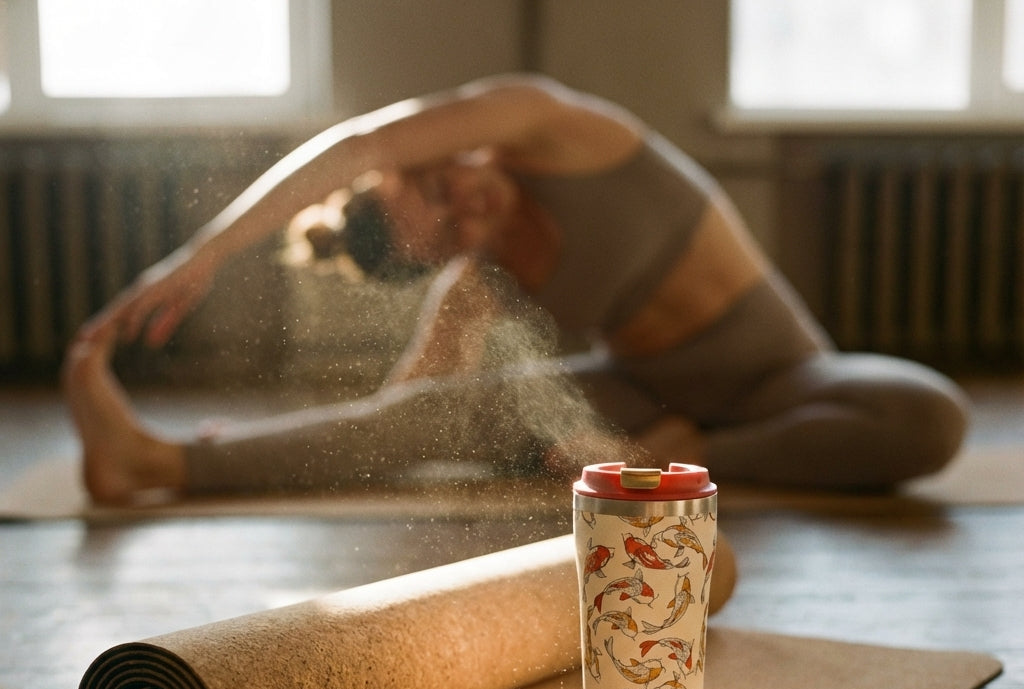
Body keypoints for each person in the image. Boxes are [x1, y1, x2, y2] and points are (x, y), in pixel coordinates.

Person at [63, 74, 969, 504]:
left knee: (928, 418)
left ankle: (684, 456)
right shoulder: (477, 278)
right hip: (641, 397)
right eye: (452, 234)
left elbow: (354, 146)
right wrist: (277, 443)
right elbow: (407, 413)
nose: (469, 208)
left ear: (417, 163)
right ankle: (159, 462)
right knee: (428, 428)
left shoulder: (552, 128)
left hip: (783, 377)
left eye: (437, 183)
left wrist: (204, 256)